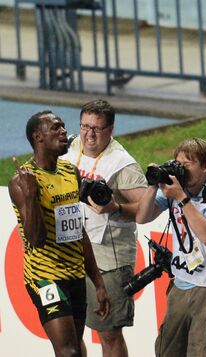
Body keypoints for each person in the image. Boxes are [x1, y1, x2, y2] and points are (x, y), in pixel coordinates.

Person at [9, 111, 110, 356]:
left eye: (63, 126)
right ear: (38, 137)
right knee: (69, 352)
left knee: (76, 347)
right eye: (56, 128)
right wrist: (32, 196)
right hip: (45, 277)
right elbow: (36, 239)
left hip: (74, 274)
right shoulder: (21, 183)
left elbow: (78, 231)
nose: (64, 131)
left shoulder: (70, 173)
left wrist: (98, 282)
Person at [135, 137, 206, 357]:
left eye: (187, 164)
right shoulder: (177, 188)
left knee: (205, 353)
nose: (181, 170)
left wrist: (182, 198)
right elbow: (142, 217)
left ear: (205, 166)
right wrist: (153, 185)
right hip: (182, 283)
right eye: (178, 164)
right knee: (167, 351)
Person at [62, 99, 147, 357]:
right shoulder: (70, 146)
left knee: (108, 332)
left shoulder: (123, 164)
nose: (89, 134)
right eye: (85, 126)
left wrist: (116, 208)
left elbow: (145, 211)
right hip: (70, 250)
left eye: (97, 129)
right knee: (72, 330)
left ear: (110, 130)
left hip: (108, 258)